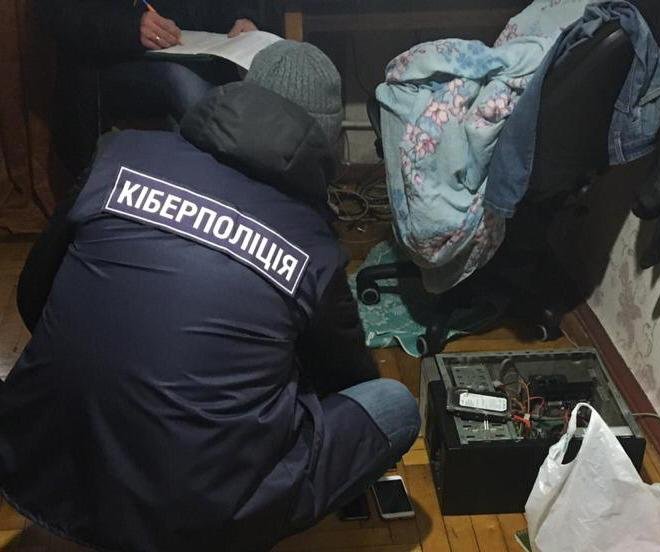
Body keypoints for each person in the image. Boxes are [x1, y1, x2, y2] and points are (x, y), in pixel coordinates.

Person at [0, 41, 421, 552]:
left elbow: (33, 295)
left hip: (40, 462)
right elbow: (345, 380)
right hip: (192, 522)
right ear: (327, 141)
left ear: (237, 98)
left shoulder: (122, 155)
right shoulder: (313, 246)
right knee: (394, 406)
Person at [35, 0, 262, 180]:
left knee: (267, 65)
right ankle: (232, 188)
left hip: (205, 48)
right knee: (183, 82)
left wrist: (245, 16)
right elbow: (55, 11)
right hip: (111, 59)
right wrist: (130, 26)